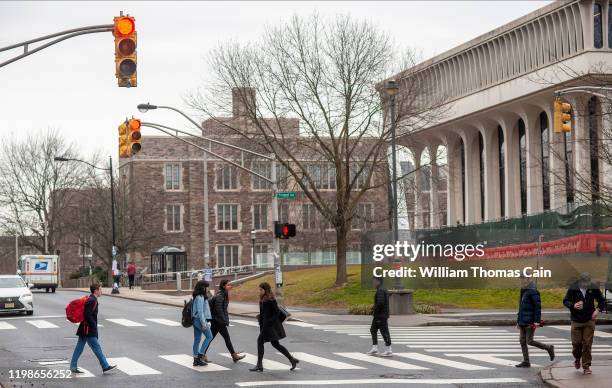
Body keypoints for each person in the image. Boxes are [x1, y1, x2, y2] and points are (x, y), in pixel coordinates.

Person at [249, 282, 299, 372]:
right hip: (266, 325)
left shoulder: (270, 300)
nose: (259, 291)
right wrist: (261, 318)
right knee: (275, 344)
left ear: (266, 290)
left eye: (261, 289)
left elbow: (277, 313)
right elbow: (264, 313)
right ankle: (292, 359)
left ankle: (259, 365)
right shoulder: (263, 299)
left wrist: (268, 322)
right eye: (259, 289)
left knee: (260, 341)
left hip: (270, 326)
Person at [563, 272, 605, 374]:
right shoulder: (573, 288)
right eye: (584, 283)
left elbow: (602, 300)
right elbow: (565, 300)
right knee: (576, 344)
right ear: (580, 281)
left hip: (589, 320)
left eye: (588, 282)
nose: (586, 285)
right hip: (576, 320)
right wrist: (573, 305)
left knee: (587, 344)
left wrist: (597, 310)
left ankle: (586, 366)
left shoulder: (593, 287)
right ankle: (577, 358)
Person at [70, 283, 117, 374]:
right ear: (96, 290)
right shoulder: (92, 300)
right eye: (100, 289)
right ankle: (105, 366)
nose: (101, 291)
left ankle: (73, 366)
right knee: (96, 348)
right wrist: (93, 326)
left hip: (84, 328)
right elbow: (87, 315)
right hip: (88, 329)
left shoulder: (91, 299)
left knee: (79, 348)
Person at [515, 274, 555, 368]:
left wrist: (536, 321)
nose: (521, 280)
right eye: (520, 278)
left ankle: (548, 347)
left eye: (522, 278)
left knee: (529, 341)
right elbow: (521, 307)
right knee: (522, 341)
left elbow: (537, 307)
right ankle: (526, 361)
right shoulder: (523, 290)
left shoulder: (533, 290)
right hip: (522, 321)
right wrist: (518, 320)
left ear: (528, 279)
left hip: (530, 321)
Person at [202, 279, 245, 363]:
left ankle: (202, 354)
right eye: (228, 285)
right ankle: (234, 356)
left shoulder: (223, 294)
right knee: (226, 338)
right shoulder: (220, 296)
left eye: (230, 284)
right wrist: (224, 320)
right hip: (218, 321)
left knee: (210, 338)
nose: (230, 286)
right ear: (223, 286)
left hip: (216, 321)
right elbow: (219, 309)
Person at [366, 276, 392, 357]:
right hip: (379, 315)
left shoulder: (381, 290)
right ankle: (375, 348)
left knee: (384, 331)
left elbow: (380, 303)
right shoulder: (382, 289)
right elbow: (380, 302)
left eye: (374, 281)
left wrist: (375, 310)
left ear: (378, 281)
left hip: (381, 315)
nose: (373, 283)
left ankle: (389, 350)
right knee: (373, 330)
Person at [191, 280, 214, 367]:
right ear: (203, 287)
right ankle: (200, 356)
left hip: (195, 320)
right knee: (209, 336)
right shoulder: (200, 297)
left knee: (197, 339)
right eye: (207, 287)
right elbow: (200, 312)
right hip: (200, 320)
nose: (208, 288)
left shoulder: (197, 296)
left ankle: (195, 359)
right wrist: (204, 324)